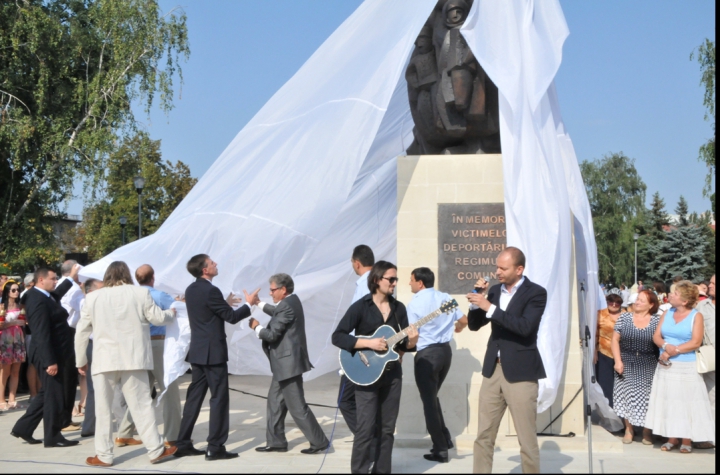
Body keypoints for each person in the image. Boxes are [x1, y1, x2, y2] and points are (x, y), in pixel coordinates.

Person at [75, 261, 177, 466]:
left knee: (103, 410)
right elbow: (157, 319)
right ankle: (155, 450)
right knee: (142, 406)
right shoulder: (140, 294)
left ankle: (103, 455)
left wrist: (81, 360)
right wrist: (171, 313)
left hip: (104, 359)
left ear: (106, 276)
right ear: (127, 274)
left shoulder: (93, 297)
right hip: (134, 358)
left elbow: (81, 331)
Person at [465, 247, 547, 474]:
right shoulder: (493, 292)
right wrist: (476, 300)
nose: (497, 271)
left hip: (521, 373)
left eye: (503, 268)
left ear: (519, 269)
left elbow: (525, 327)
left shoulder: (536, 293)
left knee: (526, 438)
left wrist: (489, 307)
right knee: (484, 435)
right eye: (497, 266)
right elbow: (474, 325)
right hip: (493, 371)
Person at [332, 261, 418, 474]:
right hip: (367, 376)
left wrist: (412, 343)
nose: (395, 283)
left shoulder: (399, 309)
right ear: (376, 280)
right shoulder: (361, 307)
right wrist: (367, 343)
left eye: (396, 279)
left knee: (387, 429)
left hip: (392, 377)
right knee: (365, 429)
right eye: (391, 279)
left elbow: (401, 345)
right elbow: (338, 336)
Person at [174, 254, 258, 460]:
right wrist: (249, 304)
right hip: (213, 353)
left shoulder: (191, 289)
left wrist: (224, 302)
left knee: (194, 398)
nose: (216, 264)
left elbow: (209, 312)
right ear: (205, 269)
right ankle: (215, 446)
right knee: (219, 398)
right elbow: (230, 317)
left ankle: (183, 442)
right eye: (212, 263)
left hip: (198, 352)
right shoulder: (211, 290)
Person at [247, 273, 330, 454]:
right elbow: (276, 311)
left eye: (272, 290)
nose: (271, 293)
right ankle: (276, 442)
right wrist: (257, 303)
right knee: (275, 402)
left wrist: (256, 327)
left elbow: (271, 335)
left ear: (283, 290)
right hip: (284, 365)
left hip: (288, 366)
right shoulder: (291, 301)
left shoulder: (286, 306)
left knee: (297, 407)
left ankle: (319, 442)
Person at [10, 265, 80, 447]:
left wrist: (71, 278)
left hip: (55, 353)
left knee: (46, 394)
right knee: (54, 396)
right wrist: (50, 361)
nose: (56, 281)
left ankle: (23, 428)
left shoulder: (43, 296)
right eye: (53, 278)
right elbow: (41, 333)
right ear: (41, 280)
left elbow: (57, 294)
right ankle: (53, 437)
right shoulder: (38, 300)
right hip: (48, 355)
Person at [116, 264, 182, 448]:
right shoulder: (159, 295)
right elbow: (178, 310)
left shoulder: (132, 296)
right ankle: (173, 435)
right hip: (158, 344)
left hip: (139, 345)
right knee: (169, 390)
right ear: (153, 277)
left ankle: (124, 433)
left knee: (141, 393)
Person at [645, 281, 715, 453]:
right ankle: (671, 437)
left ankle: (686, 439)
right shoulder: (667, 313)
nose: (670, 295)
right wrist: (666, 346)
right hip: (666, 366)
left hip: (687, 366)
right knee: (669, 402)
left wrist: (673, 351)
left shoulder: (695, 316)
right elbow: (657, 336)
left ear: (684, 301)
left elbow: (695, 342)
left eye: (674, 294)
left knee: (686, 403)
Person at [406, 267, 466, 463]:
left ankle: (440, 449)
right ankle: (445, 438)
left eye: (411, 280)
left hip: (427, 356)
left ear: (420, 283)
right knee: (432, 398)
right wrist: (457, 328)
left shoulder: (414, 304)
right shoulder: (444, 297)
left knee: (429, 404)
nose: (409, 283)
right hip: (445, 353)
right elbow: (464, 320)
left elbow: (411, 334)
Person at [610, 290, 660, 444]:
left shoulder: (657, 320)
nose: (637, 302)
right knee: (627, 397)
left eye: (642, 300)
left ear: (651, 305)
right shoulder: (624, 317)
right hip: (626, 361)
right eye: (637, 299)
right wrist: (618, 361)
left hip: (648, 364)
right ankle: (629, 429)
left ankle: (646, 431)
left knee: (647, 399)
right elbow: (614, 340)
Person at [339, 244, 375, 435]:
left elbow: (357, 324)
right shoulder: (377, 283)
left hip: (359, 353)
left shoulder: (364, 286)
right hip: (371, 352)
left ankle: (367, 441)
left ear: (357, 263)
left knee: (345, 401)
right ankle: (369, 441)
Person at [79, 278, 103, 438]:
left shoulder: (89, 301)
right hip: (94, 345)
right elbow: (80, 331)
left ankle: (90, 425)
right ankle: (90, 425)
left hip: (95, 344)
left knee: (95, 389)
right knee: (95, 389)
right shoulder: (89, 302)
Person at [694, 274, 715, 450]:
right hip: (710, 360)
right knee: (710, 399)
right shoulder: (702, 306)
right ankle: (709, 437)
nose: (710, 286)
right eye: (711, 283)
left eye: (714, 284)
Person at [0, 280, 28, 411]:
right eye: (13, 290)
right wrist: (13, 323)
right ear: (7, 292)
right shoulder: (2, 307)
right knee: (5, 371)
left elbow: (25, 321)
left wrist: (24, 322)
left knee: (16, 371)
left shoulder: (21, 306)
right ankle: (1, 400)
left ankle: (12, 399)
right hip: (5, 340)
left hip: (18, 338)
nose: (16, 292)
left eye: (18, 290)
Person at [595, 293, 623, 408]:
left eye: (617, 302)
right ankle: (608, 411)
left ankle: (620, 411)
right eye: (611, 302)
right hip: (603, 353)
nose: (614, 304)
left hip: (622, 354)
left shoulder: (626, 315)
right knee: (605, 384)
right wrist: (594, 351)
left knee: (621, 385)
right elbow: (594, 334)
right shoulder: (600, 314)